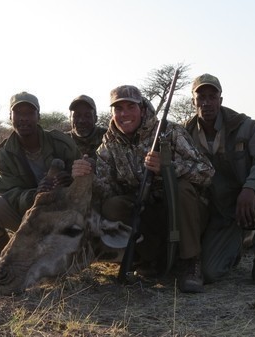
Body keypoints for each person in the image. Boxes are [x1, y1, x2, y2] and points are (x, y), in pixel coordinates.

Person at [71, 85, 214, 293]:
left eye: (131, 107)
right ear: (112, 113)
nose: (125, 114)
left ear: (142, 108)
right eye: (118, 109)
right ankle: (149, 258)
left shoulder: (170, 132)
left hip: (183, 211)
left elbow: (207, 172)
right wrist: (88, 176)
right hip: (147, 212)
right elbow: (107, 190)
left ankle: (192, 262)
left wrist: (168, 169)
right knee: (113, 206)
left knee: (181, 188)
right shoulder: (109, 143)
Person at [184, 74, 255, 287]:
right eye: (201, 97)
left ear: (221, 100)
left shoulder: (244, 125)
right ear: (193, 101)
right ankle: (233, 247)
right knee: (210, 273)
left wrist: (251, 188)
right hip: (219, 211)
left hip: (249, 199)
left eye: (212, 96)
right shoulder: (185, 133)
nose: (206, 102)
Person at [0, 92, 81, 275]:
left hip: (62, 216)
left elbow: (84, 177)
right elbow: (9, 193)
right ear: (10, 117)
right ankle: (5, 255)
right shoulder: (4, 153)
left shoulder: (61, 143)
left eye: (29, 113)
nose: (24, 118)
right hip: (27, 216)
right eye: (18, 113)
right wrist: (35, 195)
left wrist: (71, 182)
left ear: (38, 116)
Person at [66, 94, 107, 160]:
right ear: (70, 119)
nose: (82, 121)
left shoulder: (108, 138)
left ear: (96, 119)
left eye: (87, 116)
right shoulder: (62, 141)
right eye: (77, 115)